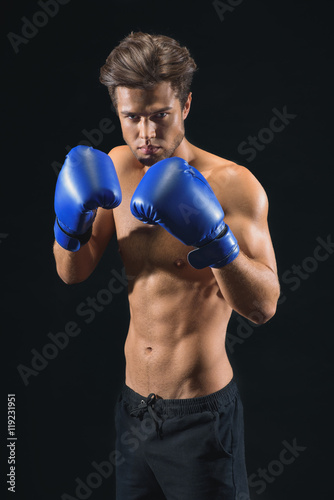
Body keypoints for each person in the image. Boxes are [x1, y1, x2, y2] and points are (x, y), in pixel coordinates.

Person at [53, 32, 280, 500]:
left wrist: (216, 241)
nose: (146, 134)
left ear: (186, 105)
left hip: (202, 420)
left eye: (160, 116)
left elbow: (264, 306)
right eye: (131, 118)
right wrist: (67, 224)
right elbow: (71, 273)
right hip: (133, 411)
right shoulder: (114, 168)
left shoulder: (233, 185)